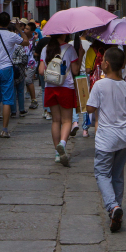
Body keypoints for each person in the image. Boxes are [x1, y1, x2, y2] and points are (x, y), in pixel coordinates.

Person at [86, 46, 126, 232]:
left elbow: (90, 109)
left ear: (106, 65)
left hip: (106, 138)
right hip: (124, 138)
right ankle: (117, 211)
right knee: (117, 175)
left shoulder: (99, 85)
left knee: (101, 173)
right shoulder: (125, 86)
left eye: (102, 61)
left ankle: (113, 206)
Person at [39, 33, 81, 165]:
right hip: (66, 87)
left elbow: (41, 71)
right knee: (67, 120)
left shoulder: (45, 48)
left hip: (50, 87)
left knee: (55, 120)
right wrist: (80, 55)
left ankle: (57, 153)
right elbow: (75, 71)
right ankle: (62, 144)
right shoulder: (70, 48)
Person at [21, 21, 39, 109]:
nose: (25, 30)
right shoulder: (22, 39)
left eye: (27, 29)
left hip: (31, 63)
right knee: (25, 81)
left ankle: (34, 99)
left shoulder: (35, 40)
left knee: (28, 80)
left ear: (32, 31)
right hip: (23, 63)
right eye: (25, 28)